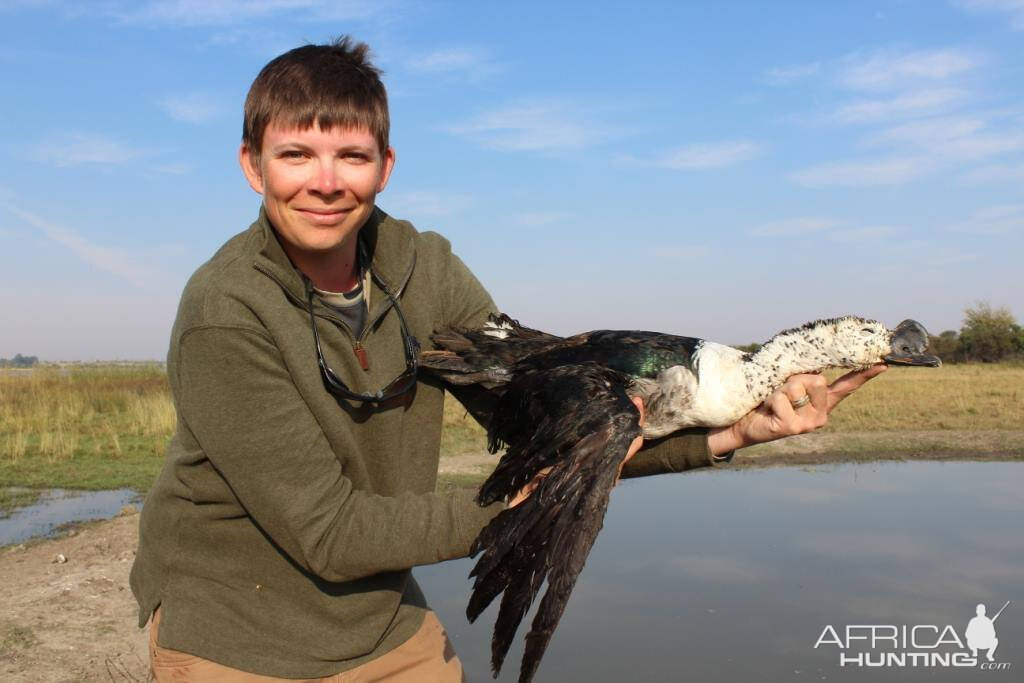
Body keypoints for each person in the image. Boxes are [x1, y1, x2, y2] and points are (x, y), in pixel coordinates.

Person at [130, 36, 885, 682]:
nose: (326, 181)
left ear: (385, 166)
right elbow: (332, 534)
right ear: (252, 165)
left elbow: (556, 415)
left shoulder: (420, 264)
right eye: (296, 154)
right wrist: (542, 506)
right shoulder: (226, 310)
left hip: (382, 621)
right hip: (241, 639)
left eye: (350, 155)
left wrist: (728, 432)